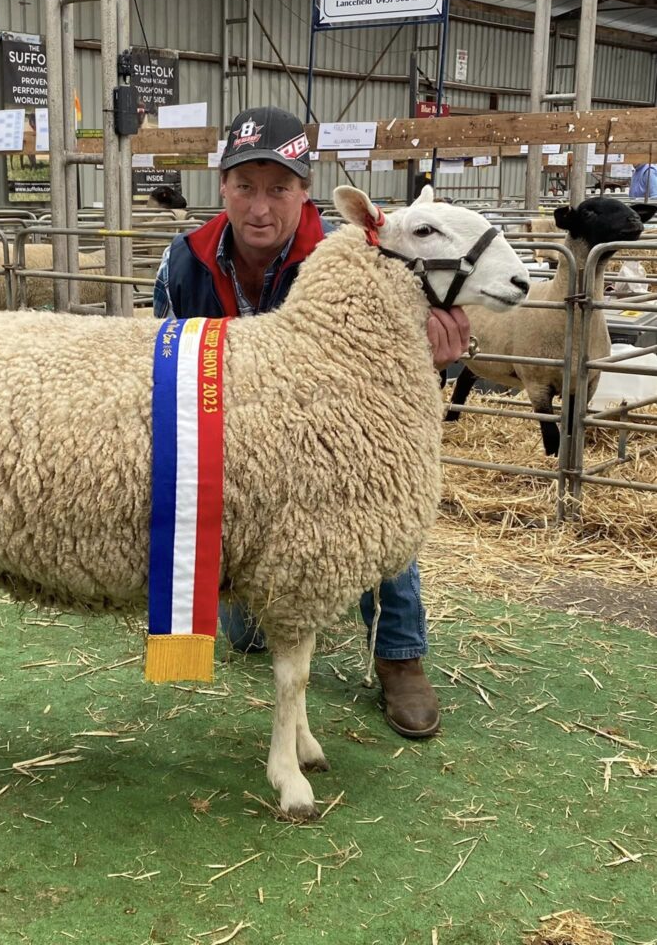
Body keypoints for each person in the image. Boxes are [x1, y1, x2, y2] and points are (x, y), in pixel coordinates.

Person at [153, 106, 471, 739]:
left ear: (305, 191)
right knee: (247, 632)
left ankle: (400, 657)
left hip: (331, 440)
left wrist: (432, 355)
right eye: (246, 187)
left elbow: (398, 385)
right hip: (233, 449)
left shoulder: (350, 257)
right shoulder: (186, 260)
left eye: (280, 188)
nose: (260, 207)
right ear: (224, 188)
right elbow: (164, 360)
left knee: (371, 497)